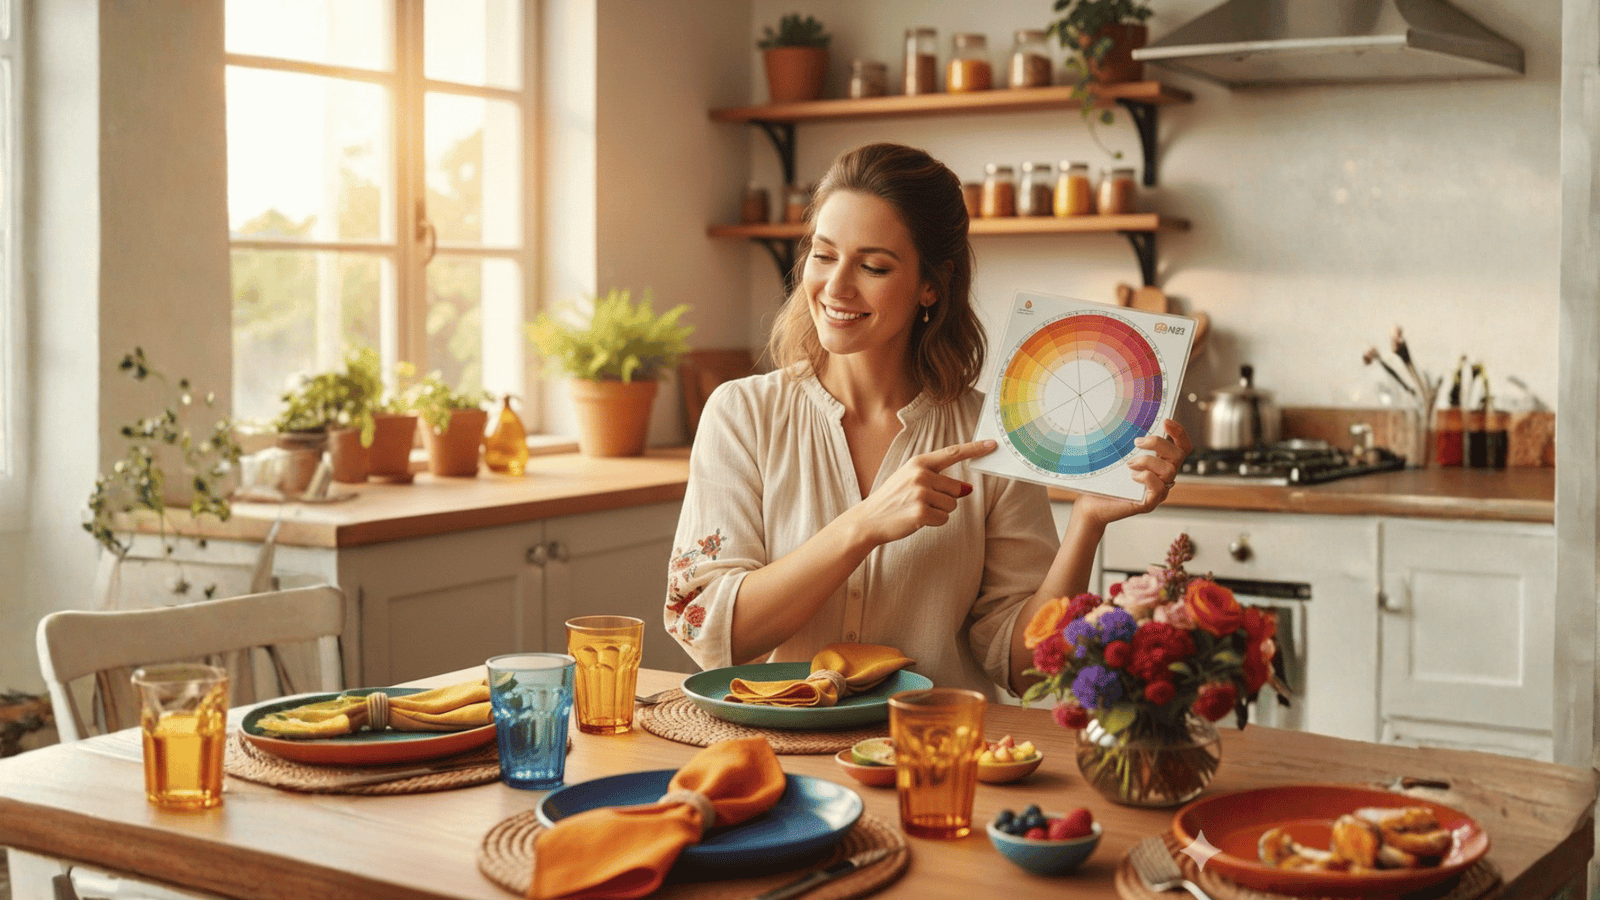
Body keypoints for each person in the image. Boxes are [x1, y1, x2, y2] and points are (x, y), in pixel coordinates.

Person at [665, 142, 1190, 700]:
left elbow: (1028, 670)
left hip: (938, 757)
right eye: (822, 255)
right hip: (784, 769)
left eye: (872, 266)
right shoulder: (742, 414)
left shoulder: (991, 437)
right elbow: (708, 632)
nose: (836, 287)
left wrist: (1087, 521)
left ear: (931, 286)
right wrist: (864, 525)